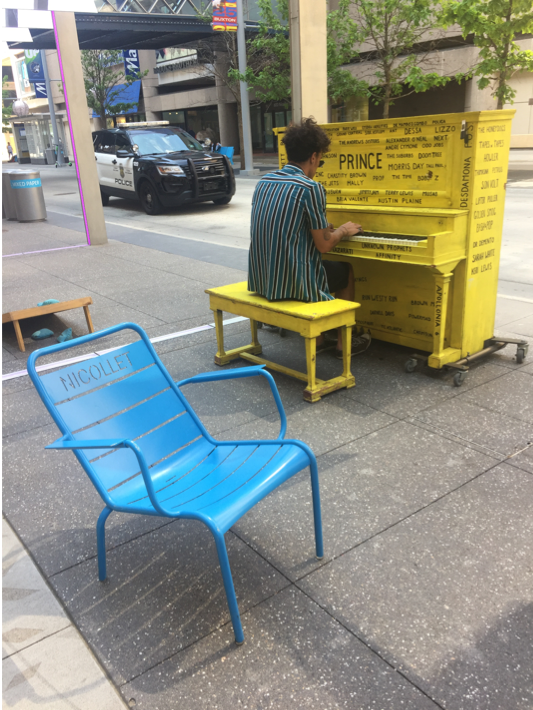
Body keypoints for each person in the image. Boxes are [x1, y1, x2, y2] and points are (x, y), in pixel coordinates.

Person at [248, 117, 370, 358]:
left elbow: (289, 224)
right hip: (294, 283)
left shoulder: (264, 181)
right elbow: (324, 246)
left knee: (317, 265)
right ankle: (343, 344)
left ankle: (320, 338)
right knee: (345, 270)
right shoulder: (310, 187)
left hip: (263, 278)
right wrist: (343, 231)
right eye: (320, 161)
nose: (318, 166)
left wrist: (326, 228)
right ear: (314, 156)